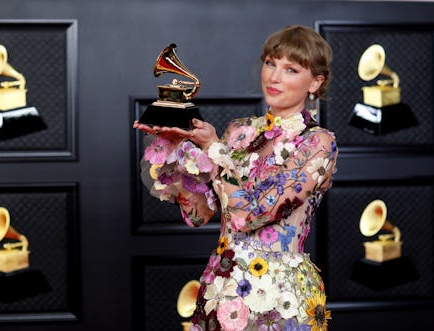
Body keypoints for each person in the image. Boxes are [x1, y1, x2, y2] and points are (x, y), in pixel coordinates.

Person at [134, 24, 338, 331]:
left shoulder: (317, 143)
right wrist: (177, 148)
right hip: (221, 286)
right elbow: (198, 215)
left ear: (315, 82)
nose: (274, 76)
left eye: (291, 69)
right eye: (271, 63)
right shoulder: (239, 131)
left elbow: (253, 214)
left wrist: (214, 150)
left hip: (279, 296)